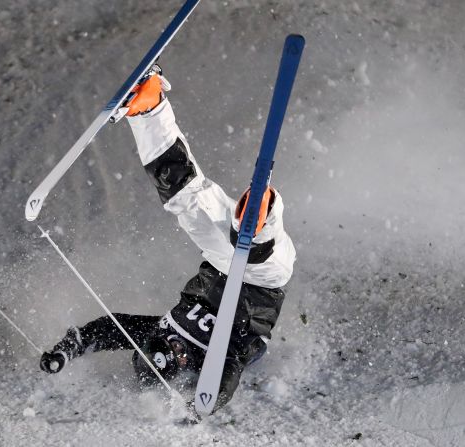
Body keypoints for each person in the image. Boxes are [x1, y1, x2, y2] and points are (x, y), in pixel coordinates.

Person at [39, 66, 296, 417]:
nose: (174, 343)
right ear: (181, 366)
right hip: (265, 282)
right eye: (175, 351)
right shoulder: (217, 357)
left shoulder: (157, 329)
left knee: (186, 202)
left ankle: (149, 106)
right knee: (252, 253)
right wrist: (202, 405)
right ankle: (260, 220)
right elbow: (228, 377)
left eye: (164, 344)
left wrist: (69, 348)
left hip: (222, 261)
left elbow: (109, 328)